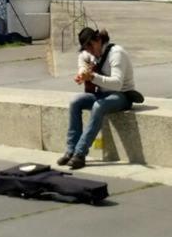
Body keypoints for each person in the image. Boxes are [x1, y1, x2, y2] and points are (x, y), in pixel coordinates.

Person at [58, 27, 136, 170]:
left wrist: (92, 77)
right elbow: (82, 61)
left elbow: (117, 84)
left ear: (98, 40)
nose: (88, 50)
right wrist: (82, 73)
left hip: (122, 95)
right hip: (102, 94)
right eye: (85, 47)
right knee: (75, 102)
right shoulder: (89, 53)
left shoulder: (116, 53)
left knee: (98, 106)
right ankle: (70, 150)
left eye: (90, 45)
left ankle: (80, 153)